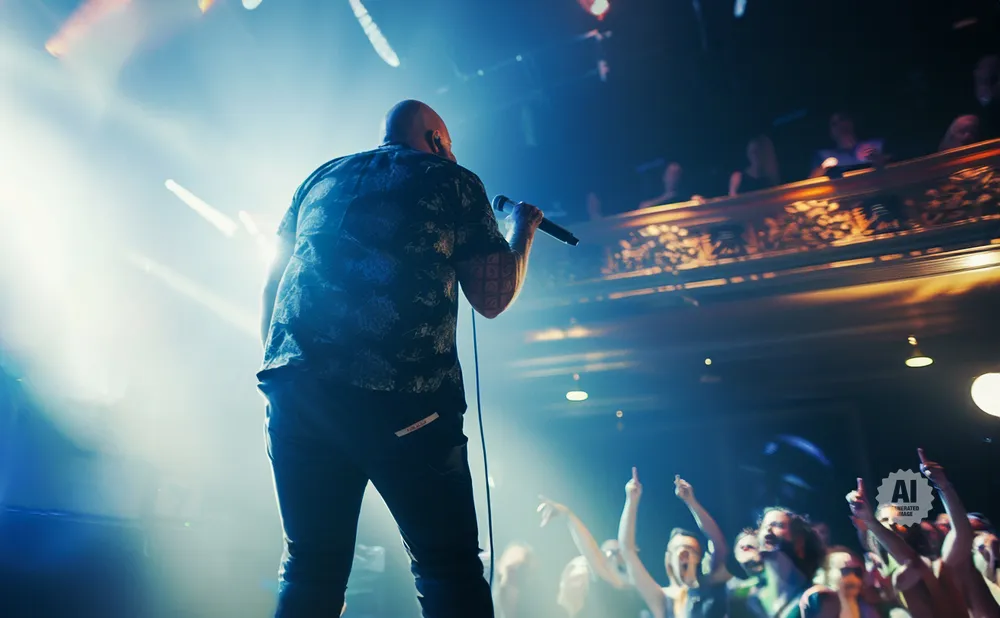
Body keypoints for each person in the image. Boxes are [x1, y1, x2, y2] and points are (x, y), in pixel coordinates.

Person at [257, 99, 544, 617]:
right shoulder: (451, 179)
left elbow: (274, 283)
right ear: (435, 141)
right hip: (406, 402)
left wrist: (282, 376)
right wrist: (522, 228)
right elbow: (493, 297)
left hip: (296, 393)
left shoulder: (320, 176)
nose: (452, 154)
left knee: (309, 569)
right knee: (447, 568)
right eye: (449, 145)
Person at [618, 469, 731, 618]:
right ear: (669, 558)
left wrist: (691, 501)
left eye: (690, 549)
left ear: (698, 557)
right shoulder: (664, 600)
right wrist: (631, 501)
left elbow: (718, 541)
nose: (684, 552)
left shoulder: (710, 587)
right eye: (677, 548)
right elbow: (627, 551)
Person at [536, 496, 643, 617]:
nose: (608, 558)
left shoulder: (640, 590)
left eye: (615, 552)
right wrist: (568, 515)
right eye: (609, 553)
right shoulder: (606, 591)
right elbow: (593, 555)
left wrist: (569, 515)